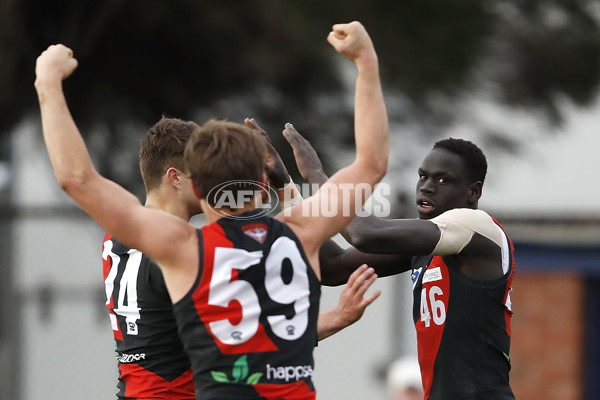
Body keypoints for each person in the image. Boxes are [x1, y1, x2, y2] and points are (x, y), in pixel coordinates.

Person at [35, 20, 388, 400]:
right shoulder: (300, 230)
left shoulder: (177, 247)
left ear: (199, 187)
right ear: (264, 182)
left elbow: (77, 178)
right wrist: (365, 61)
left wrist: (48, 84)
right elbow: (371, 162)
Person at [102, 116, 381, 399]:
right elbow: (249, 339)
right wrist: (336, 318)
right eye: (201, 169)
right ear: (175, 178)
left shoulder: (117, 237)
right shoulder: (181, 253)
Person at [278, 125, 516, 399]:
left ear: (473, 192)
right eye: (423, 176)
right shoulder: (427, 241)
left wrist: (317, 176)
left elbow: (364, 233)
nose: (426, 187)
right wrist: (286, 188)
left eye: (442, 180)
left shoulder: (475, 226)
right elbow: (332, 266)